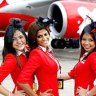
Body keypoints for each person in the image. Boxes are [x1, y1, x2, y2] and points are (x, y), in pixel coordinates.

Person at [17, 17, 59, 96]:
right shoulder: (37, 53)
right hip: (46, 92)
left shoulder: (47, 51)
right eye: (39, 36)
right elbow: (22, 80)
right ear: (34, 38)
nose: (44, 38)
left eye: (45, 34)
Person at [58, 16, 96, 96]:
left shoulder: (93, 56)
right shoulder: (85, 56)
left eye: (91, 40)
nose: (86, 43)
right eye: (84, 39)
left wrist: (88, 94)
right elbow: (71, 74)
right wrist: (47, 75)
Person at [0, 18, 32, 96]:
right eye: (14, 39)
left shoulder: (28, 50)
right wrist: (11, 95)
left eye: (21, 37)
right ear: (9, 42)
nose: (19, 41)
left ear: (25, 37)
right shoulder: (12, 59)